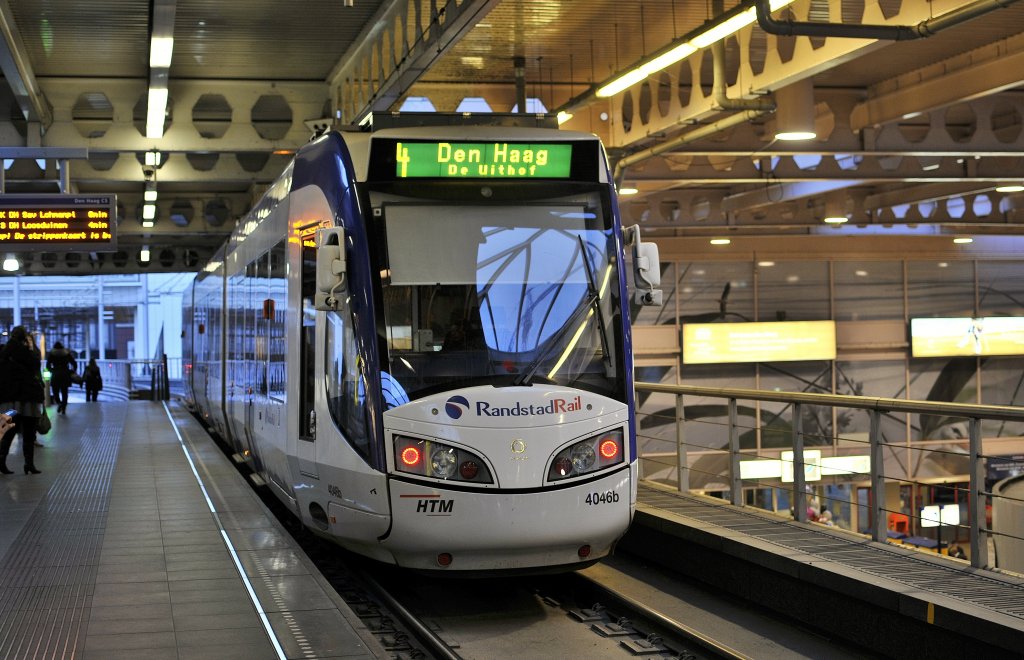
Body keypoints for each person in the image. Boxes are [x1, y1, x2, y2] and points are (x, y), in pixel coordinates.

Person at [0, 326, 45, 475]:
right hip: (27, 397)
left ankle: (1, 462)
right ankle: (29, 464)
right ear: (23, 337)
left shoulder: (3, 352)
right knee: (29, 431)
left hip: (9, 399)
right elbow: (36, 364)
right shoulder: (26, 352)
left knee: (9, 431)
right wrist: (31, 346)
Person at [46, 340, 77, 414]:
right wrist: (72, 371)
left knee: (55, 391)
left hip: (55, 374)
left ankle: (59, 403)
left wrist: (51, 370)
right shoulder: (66, 353)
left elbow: (48, 365)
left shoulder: (52, 354)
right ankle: (64, 407)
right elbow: (74, 363)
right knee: (64, 392)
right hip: (65, 374)